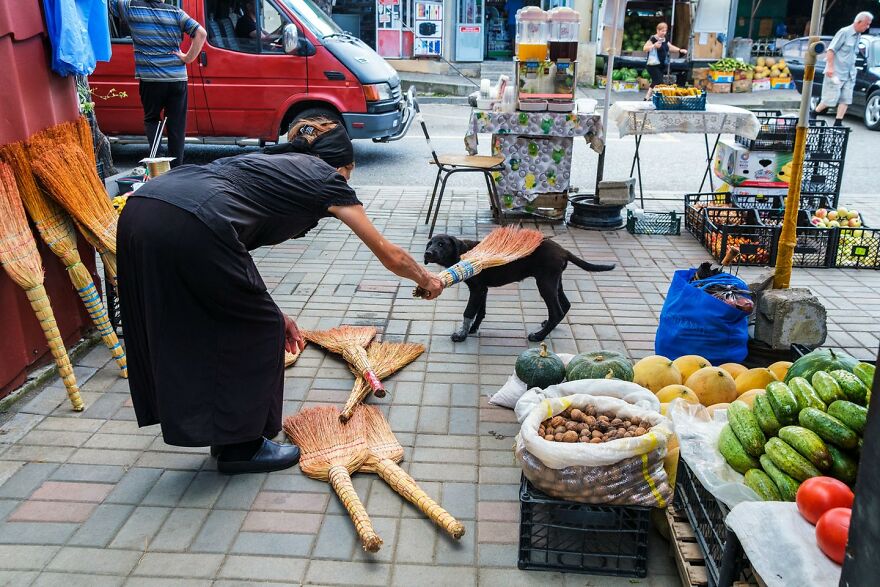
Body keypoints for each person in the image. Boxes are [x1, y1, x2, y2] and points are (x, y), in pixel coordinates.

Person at [117, 118, 444, 475]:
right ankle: (242, 447)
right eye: (349, 174)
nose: (347, 182)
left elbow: (233, 255)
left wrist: (273, 309)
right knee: (259, 330)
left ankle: (224, 434)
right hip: (194, 223)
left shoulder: (272, 162)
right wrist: (427, 278)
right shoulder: (327, 179)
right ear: (341, 167)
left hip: (142, 209)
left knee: (213, 320)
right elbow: (388, 253)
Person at [109, 1, 207, 167]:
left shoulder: (131, 7)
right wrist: (188, 58)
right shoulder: (176, 13)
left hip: (151, 80)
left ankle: (158, 161)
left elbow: (111, 4)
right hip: (177, 79)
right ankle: (177, 170)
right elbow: (201, 33)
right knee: (176, 126)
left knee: (152, 119)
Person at [811, 12, 873, 126]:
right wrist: (830, 67)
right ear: (859, 22)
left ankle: (838, 122)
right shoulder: (844, 32)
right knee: (830, 98)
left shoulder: (858, 35)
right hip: (836, 72)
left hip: (850, 73)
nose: (868, 27)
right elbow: (831, 50)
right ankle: (814, 113)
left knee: (846, 99)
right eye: (866, 24)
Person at [642, 22, 687, 100]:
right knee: (658, 81)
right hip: (652, 65)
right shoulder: (653, 38)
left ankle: (647, 97)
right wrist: (654, 46)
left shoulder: (664, 39)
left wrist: (680, 50)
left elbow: (670, 47)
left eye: (665, 31)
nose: (664, 33)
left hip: (661, 65)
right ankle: (658, 98)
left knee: (656, 81)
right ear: (657, 30)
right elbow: (645, 48)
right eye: (662, 31)